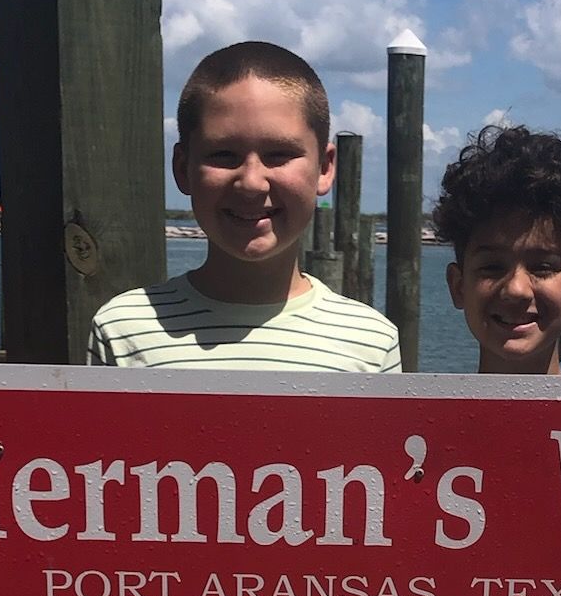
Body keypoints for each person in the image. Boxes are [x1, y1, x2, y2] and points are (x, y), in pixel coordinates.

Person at [87, 40, 401, 373]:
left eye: (279, 154)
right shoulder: (121, 330)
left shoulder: (371, 342)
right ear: (182, 168)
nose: (251, 182)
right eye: (223, 155)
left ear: (324, 169)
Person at [432, 125, 561, 376]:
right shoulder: (405, 403)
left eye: (543, 267)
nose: (516, 289)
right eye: (492, 267)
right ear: (458, 286)